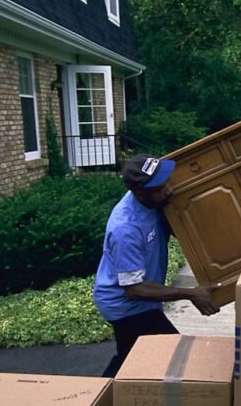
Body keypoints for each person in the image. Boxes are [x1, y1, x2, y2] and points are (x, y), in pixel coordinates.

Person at [93, 153, 221, 376]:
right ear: (140, 193)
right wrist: (191, 294)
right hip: (125, 305)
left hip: (142, 301)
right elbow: (134, 289)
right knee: (168, 354)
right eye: (160, 187)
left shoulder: (154, 201)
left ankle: (101, 390)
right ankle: (98, 391)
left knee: (133, 356)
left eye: (166, 182)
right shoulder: (125, 229)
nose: (169, 189)